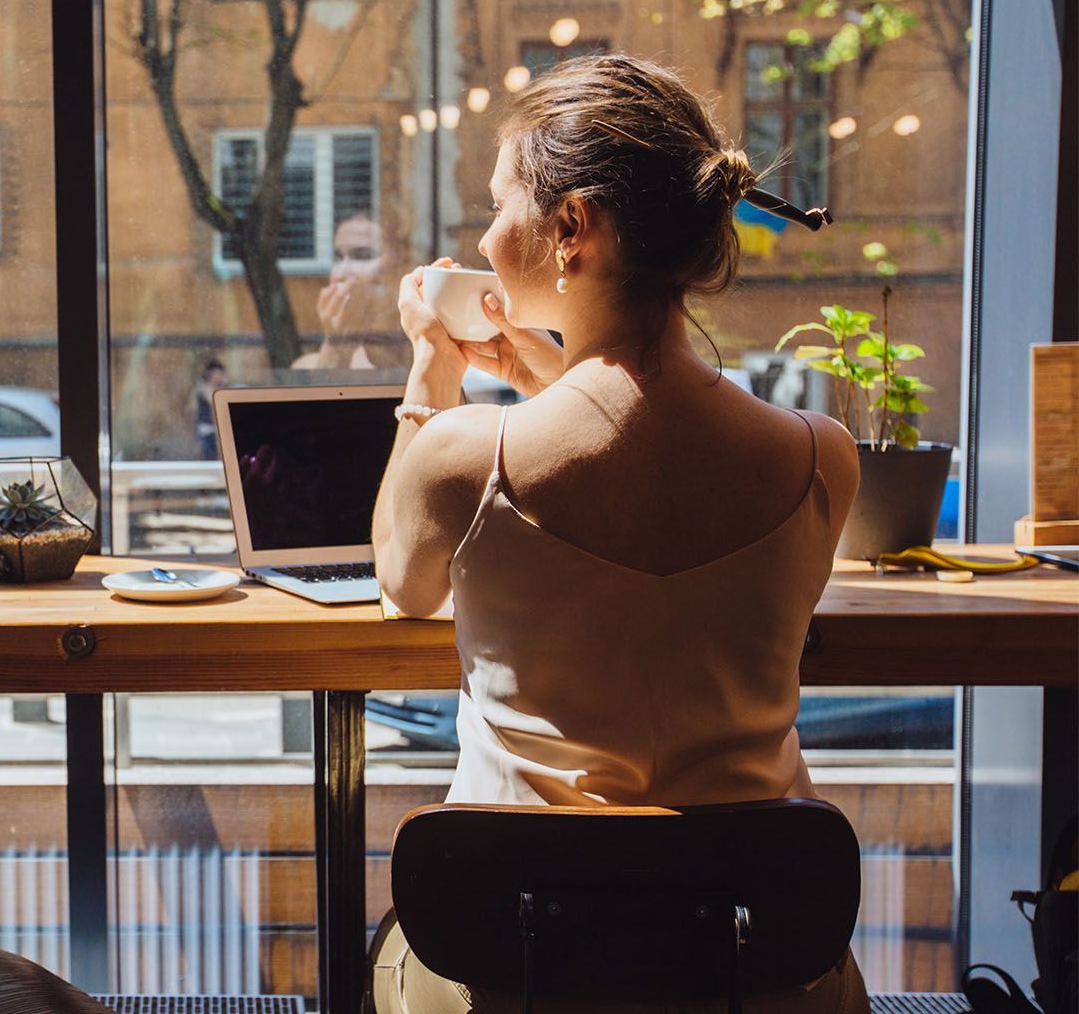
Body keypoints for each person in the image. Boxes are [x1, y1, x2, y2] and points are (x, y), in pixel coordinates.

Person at [369, 53, 862, 1013]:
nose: (484, 231)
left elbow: (402, 580)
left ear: (571, 228)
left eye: (500, 200)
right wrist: (544, 386)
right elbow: (659, 473)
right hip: (754, 968)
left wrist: (430, 371)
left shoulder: (469, 460)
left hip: (515, 971)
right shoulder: (820, 460)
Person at [292, 214, 410, 371]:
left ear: (399, 266)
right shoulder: (307, 367)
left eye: (362, 256)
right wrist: (336, 346)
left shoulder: (431, 353)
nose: (341, 273)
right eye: (338, 257)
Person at [192, 358, 228, 459]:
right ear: (209, 374)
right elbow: (214, 401)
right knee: (209, 458)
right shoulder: (204, 387)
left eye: (220, 374)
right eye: (216, 374)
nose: (218, 377)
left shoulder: (217, 388)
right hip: (206, 430)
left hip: (216, 430)